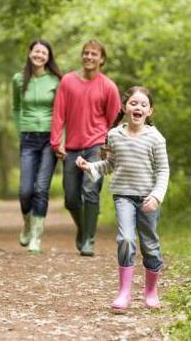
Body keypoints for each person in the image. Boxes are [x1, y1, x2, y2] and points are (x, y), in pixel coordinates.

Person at [76, 86, 169, 312]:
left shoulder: (156, 139)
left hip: (148, 198)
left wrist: (156, 196)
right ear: (125, 107)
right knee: (126, 239)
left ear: (150, 111)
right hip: (123, 196)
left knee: (150, 246)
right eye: (133, 103)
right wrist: (90, 167)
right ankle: (124, 293)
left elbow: (163, 171)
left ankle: (151, 292)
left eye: (143, 105)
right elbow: (111, 164)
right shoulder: (114, 134)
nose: (138, 107)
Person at [50, 39, 121, 256]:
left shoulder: (108, 86)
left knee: (90, 190)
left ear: (102, 59)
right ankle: (83, 229)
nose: (89, 57)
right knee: (71, 197)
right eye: (86, 53)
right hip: (71, 147)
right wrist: (56, 142)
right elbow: (59, 113)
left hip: (96, 146)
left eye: (94, 54)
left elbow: (114, 122)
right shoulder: (68, 81)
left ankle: (89, 239)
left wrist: (110, 150)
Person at [12, 39, 63, 253]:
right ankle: (27, 224)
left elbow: (62, 111)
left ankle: (36, 237)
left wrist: (61, 139)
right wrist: (20, 129)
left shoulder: (55, 80)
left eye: (44, 52)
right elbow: (16, 108)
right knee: (25, 191)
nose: (39, 55)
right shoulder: (18, 79)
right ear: (30, 53)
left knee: (41, 189)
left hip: (50, 139)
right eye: (36, 51)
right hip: (28, 138)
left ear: (48, 57)